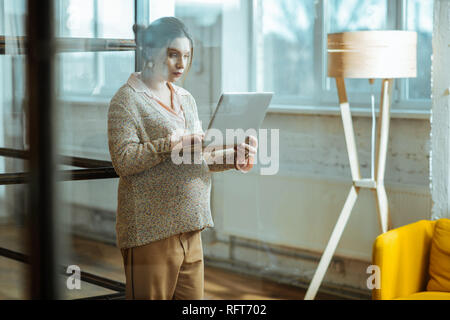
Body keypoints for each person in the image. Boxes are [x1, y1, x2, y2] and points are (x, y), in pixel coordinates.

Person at [107, 16, 258, 300]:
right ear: (151, 52)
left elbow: (196, 155)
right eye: (173, 54)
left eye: (186, 56)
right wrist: (172, 143)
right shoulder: (127, 100)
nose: (181, 64)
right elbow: (124, 161)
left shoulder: (186, 99)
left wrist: (234, 156)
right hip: (150, 234)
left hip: (191, 229)